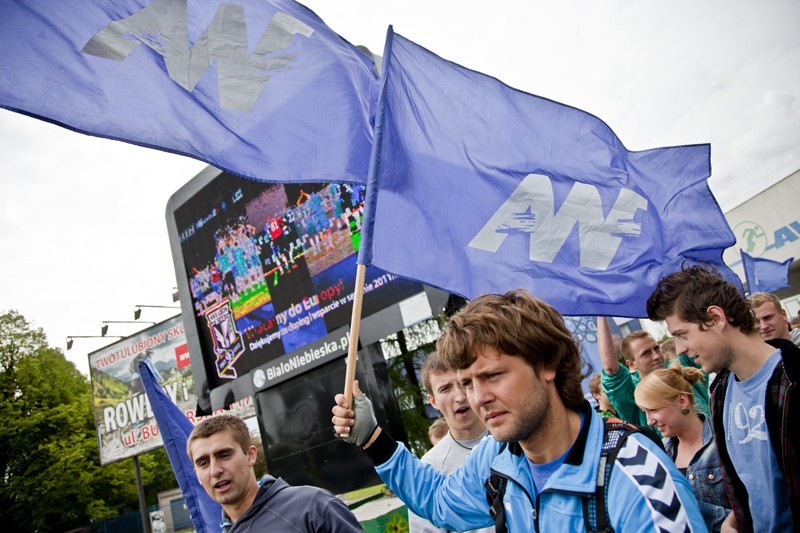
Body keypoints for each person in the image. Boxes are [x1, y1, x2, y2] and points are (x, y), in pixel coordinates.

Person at [332, 290, 705, 531]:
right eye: (467, 383)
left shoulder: (638, 480)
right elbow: (441, 504)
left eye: (492, 375)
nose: (478, 398)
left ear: (547, 364)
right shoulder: (496, 457)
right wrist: (372, 440)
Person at [647, 265, 800, 532]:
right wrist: (735, 522)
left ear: (716, 318)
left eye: (682, 334)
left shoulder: (792, 381)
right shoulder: (721, 392)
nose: (681, 349)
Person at [187, 414, 363, 532]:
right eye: (203, 462)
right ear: (196, 473)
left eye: (224, 455)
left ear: (250, 455)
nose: (215, 470)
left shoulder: (313, 507)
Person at [635, 366, 731, 531]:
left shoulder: (726, 439)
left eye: (653, 410)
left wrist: (687, 507)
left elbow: (752, 505)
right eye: (645, 412)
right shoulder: (662, 453)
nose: (649, 420)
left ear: (682, 401)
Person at [409, 352, 492, 533]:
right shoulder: (429, 468)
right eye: (445, 389)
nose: (459, 397)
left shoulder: (512, 438)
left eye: (463, 383)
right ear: (433, 401)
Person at [597, 317, 710, 433]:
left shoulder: (682, 370)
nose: (656, 356)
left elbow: (690, 330)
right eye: (646, 353)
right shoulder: (633, 395)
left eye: (656, 348)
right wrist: (600, 314)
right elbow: (611, 368)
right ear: (631, 364)